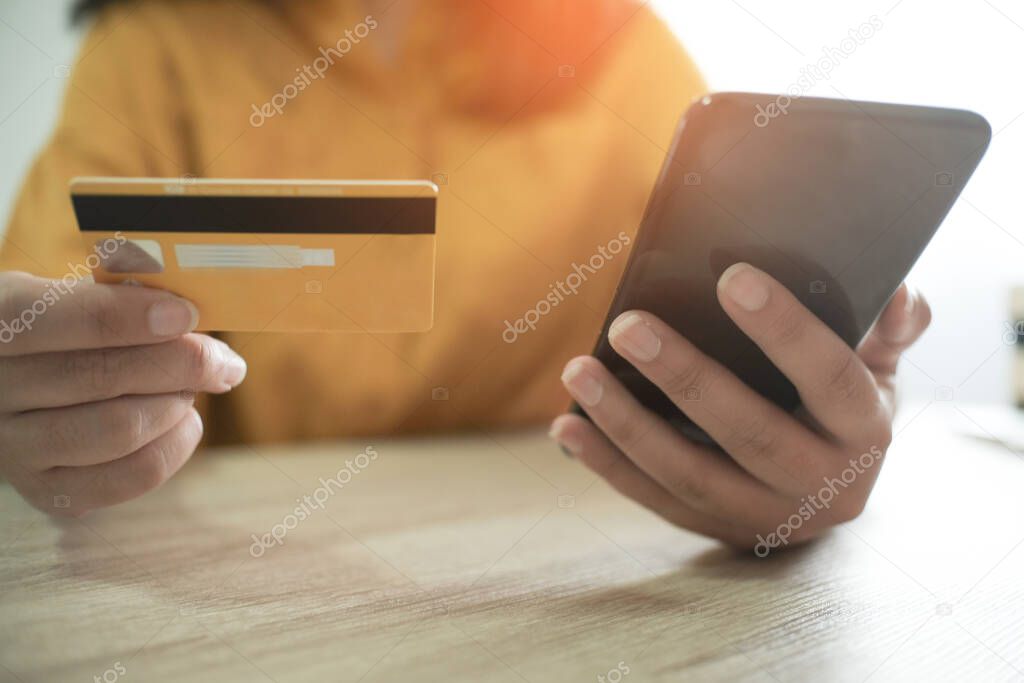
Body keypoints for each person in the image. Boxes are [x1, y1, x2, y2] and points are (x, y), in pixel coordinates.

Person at [0, 0, 930, 550]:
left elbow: (725, 348)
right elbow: (42, 338)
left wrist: (796, 447)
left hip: (562, 585)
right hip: (241, 594)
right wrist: (38, 414)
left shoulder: (626, 49)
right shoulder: (153, 47)